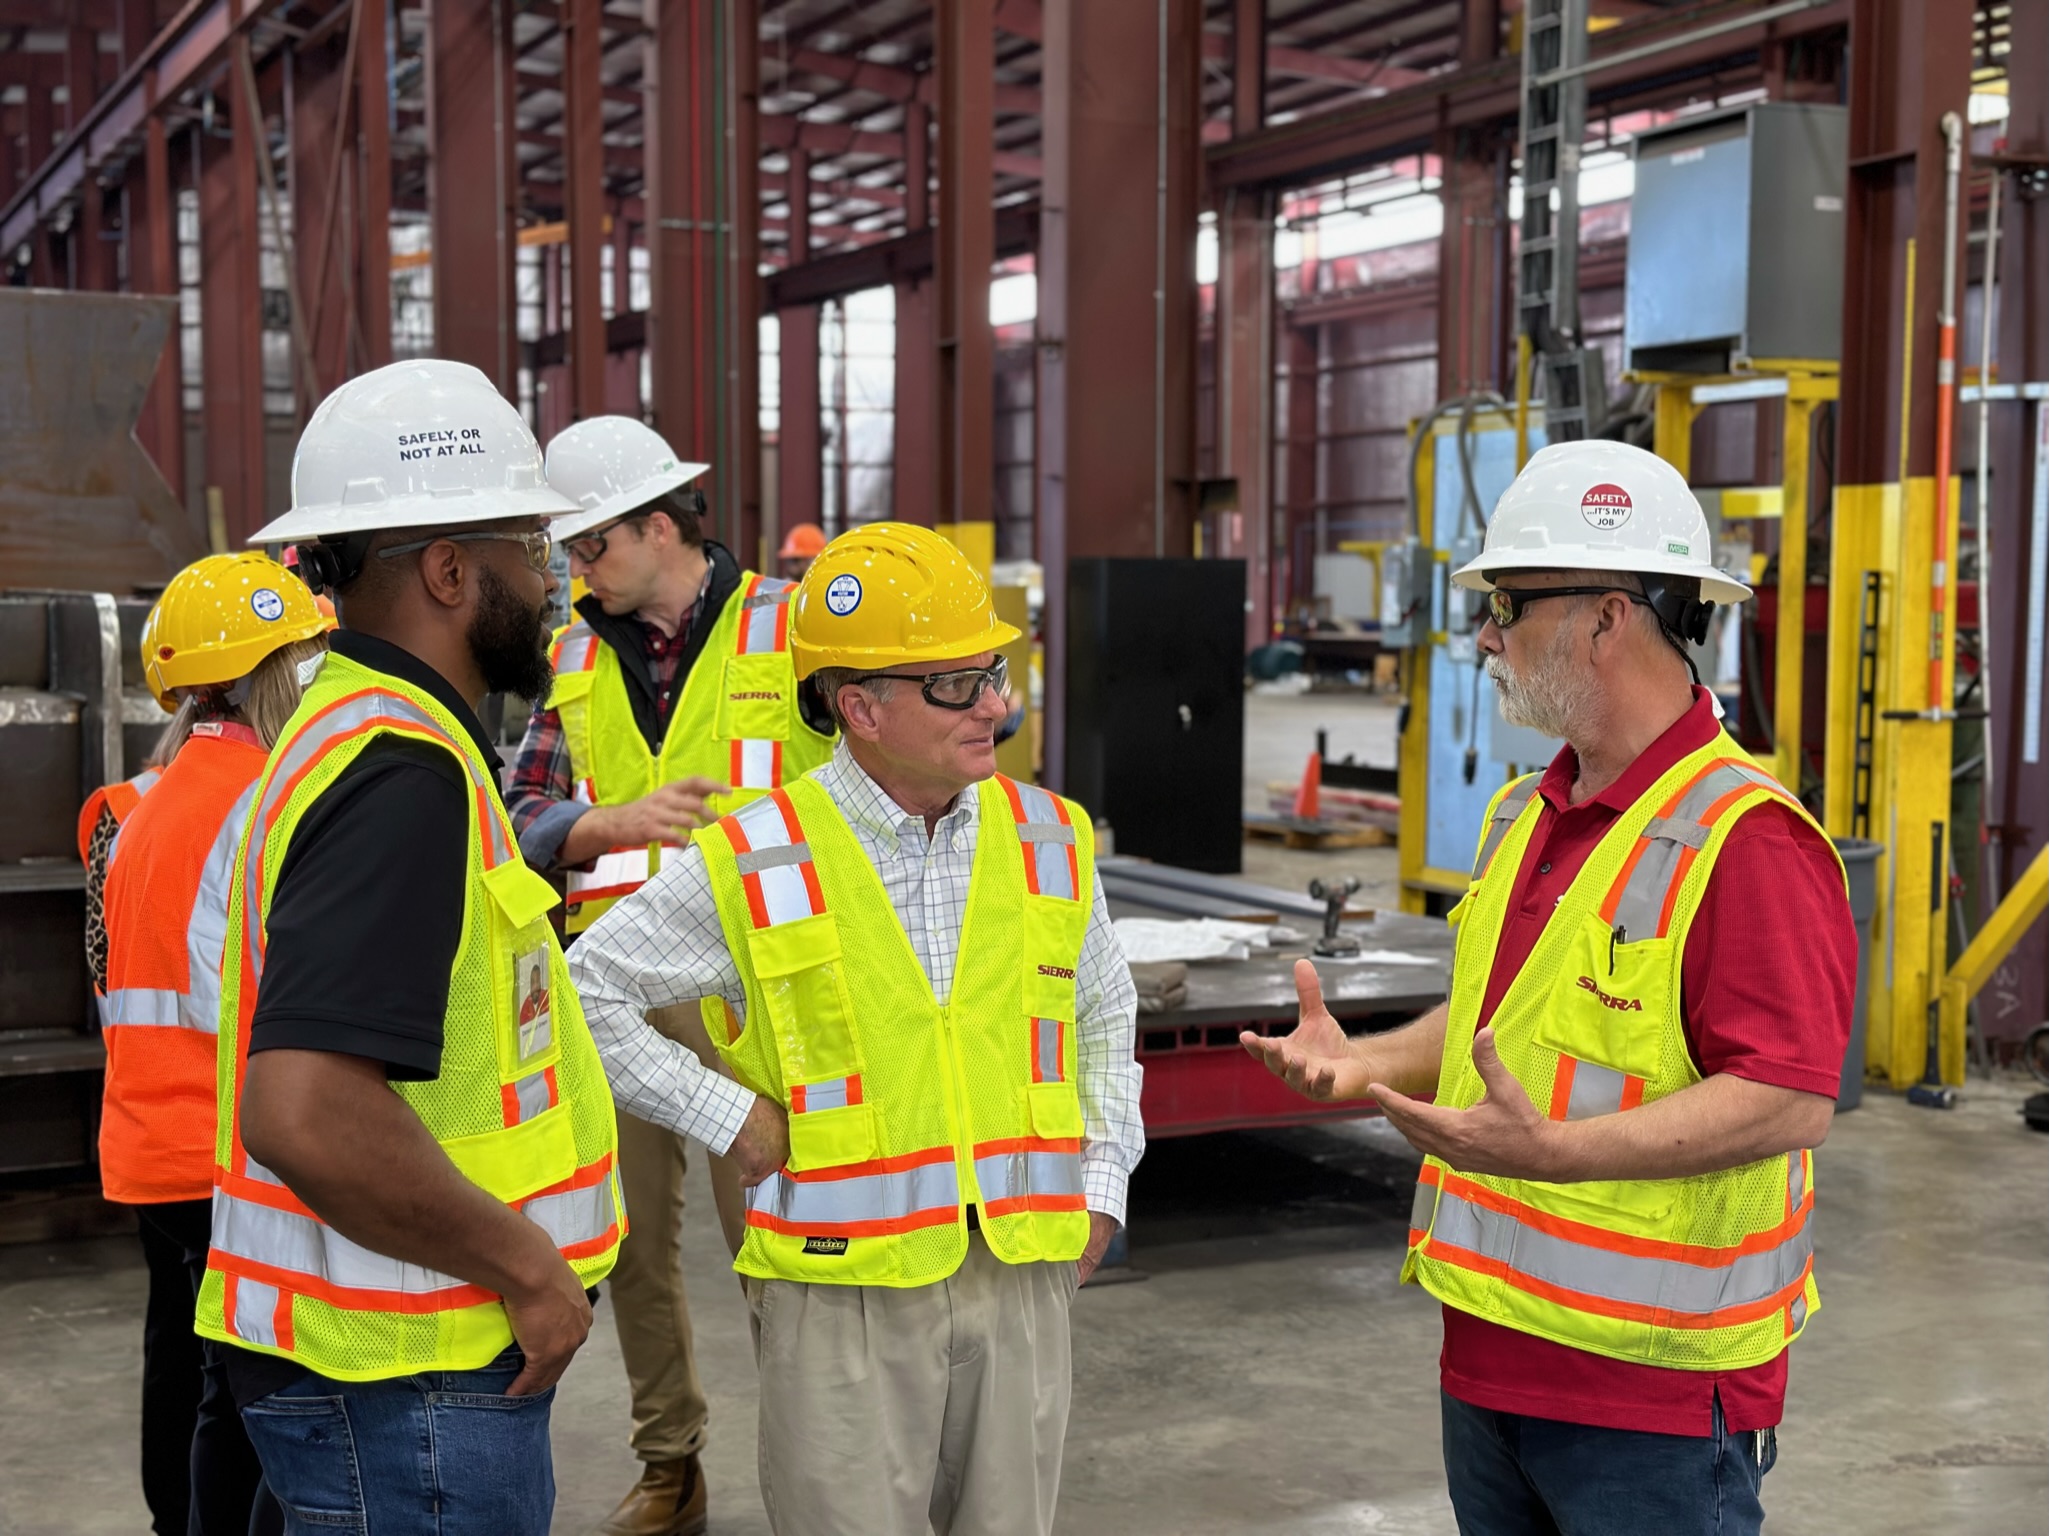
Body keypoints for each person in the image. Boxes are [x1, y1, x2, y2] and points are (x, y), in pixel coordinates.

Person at [1244, 440, 1855, 1536]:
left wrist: (1556, 1154)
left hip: (1653, 1401)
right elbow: (1503, 1023)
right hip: (1490, 1358)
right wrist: (1363, 1062)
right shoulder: (1527, 811)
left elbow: (1786, 1099)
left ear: (1608, 616)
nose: (1486, 637)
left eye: (1507, 605)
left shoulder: (1748, 839)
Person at [569, 522, 1145, 1536]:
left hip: (1021, 1269)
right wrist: (728, 1115)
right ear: (861, 708)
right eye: (956, 685)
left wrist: (1102, 1187)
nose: (996, 705)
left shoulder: (1050, 835)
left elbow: (1103, 1014)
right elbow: (586, 990)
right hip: (837, 1295)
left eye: (993, 673)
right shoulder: (760, 855)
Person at [190, 358, 624, 1536]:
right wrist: (529, 1267)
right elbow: (306, 1110)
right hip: (407, 1377)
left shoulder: (357, 730)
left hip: (373, 1363)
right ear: (448, 571)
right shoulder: (400, 771)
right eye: (530, 549)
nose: (551, 582)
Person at [505, 415, 836, 1536]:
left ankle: (818, 1470)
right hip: (618, 994)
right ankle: (671, 1464)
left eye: (591, 545)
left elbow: (865, 781)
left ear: (660, 525)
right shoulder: (570, 654)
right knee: (631, 1245)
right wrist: (598, 825)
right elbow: (522, 807)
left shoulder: (791, 628)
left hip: (761, 986)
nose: (577, 569)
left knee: (781, 1241)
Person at [81, 553, 327, 1536]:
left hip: (156, 1143)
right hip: (231, 1153)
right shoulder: (267, 798)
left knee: (221, 1389)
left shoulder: (149, 801)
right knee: (284, 1413)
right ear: (272, 672)